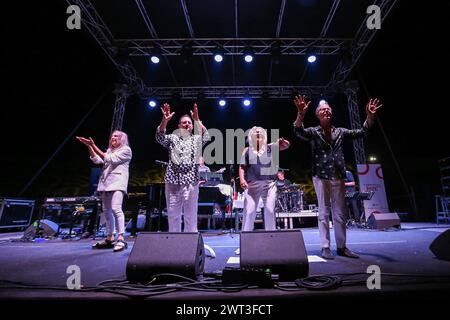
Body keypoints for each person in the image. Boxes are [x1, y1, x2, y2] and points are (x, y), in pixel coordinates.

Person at [293, 95, 382, 259]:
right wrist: (301, 114)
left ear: (331, 112)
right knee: (323, 212)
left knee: (340, 213)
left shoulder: (340, 131)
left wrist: (370, 117)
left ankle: (342, 246)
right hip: (320, 175)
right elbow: (298, 131)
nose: (325, 110)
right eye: (322, 109)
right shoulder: (313, 132)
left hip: (337, 176)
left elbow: (362, 132)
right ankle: (325, 246)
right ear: (318, 114)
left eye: (328, 108)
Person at [156, 102, 210, 232]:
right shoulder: (173, 138)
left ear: (192, 126)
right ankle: (174, 246)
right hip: (173, 181)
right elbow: (160, 137)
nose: (187, 124)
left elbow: (206, 135)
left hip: (191, 181)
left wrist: (197, 120)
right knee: (173, 215)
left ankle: (189, 246)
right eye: (184, 122)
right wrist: (164, 121)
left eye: (189, 123)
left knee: (190, 216)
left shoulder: (196, 139)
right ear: (179, 125)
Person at [76, 130, 132, 252]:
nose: (113, 138)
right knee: (106, 212)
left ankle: (121, 238)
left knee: (117, 209)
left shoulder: (126, 150)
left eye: (116, 136)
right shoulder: (109, 151)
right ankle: (110, 237)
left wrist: (94, 145)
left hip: (117, 183)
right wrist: (90, 146)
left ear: (122, 139)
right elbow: (97, 160)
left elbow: (110, 159)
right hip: (106, 185)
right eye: (112, 136)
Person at [239, 126, 290, 232]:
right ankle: (246, 237)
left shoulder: (270, 147)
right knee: (249, 211)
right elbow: (242, 166)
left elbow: (286, 145)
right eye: (256, 132)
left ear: (264, 136)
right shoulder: (247, 150)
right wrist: (242, 179)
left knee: (270, 211)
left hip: (269, 184)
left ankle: (271, 236)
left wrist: (282, 141)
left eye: (260, 132)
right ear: (251, 136)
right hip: (252, 185)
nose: (258, 134)